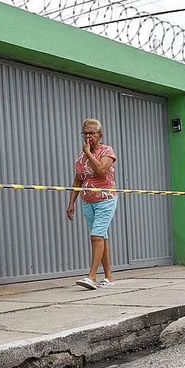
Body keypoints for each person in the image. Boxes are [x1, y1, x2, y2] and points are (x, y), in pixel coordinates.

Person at [67, 118, 118, 290]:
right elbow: (78, 180)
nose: (88, 136)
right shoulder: (80, 157)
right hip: (87, 202)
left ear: (100, 135)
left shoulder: (106, 150)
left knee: (96, 236)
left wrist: (89, 153)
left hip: (106, 199)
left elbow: (101, 170)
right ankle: (109, 276)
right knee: (100, 236)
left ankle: (92, 276)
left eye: (92, 133)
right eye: (85, 133)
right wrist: (71, 202)